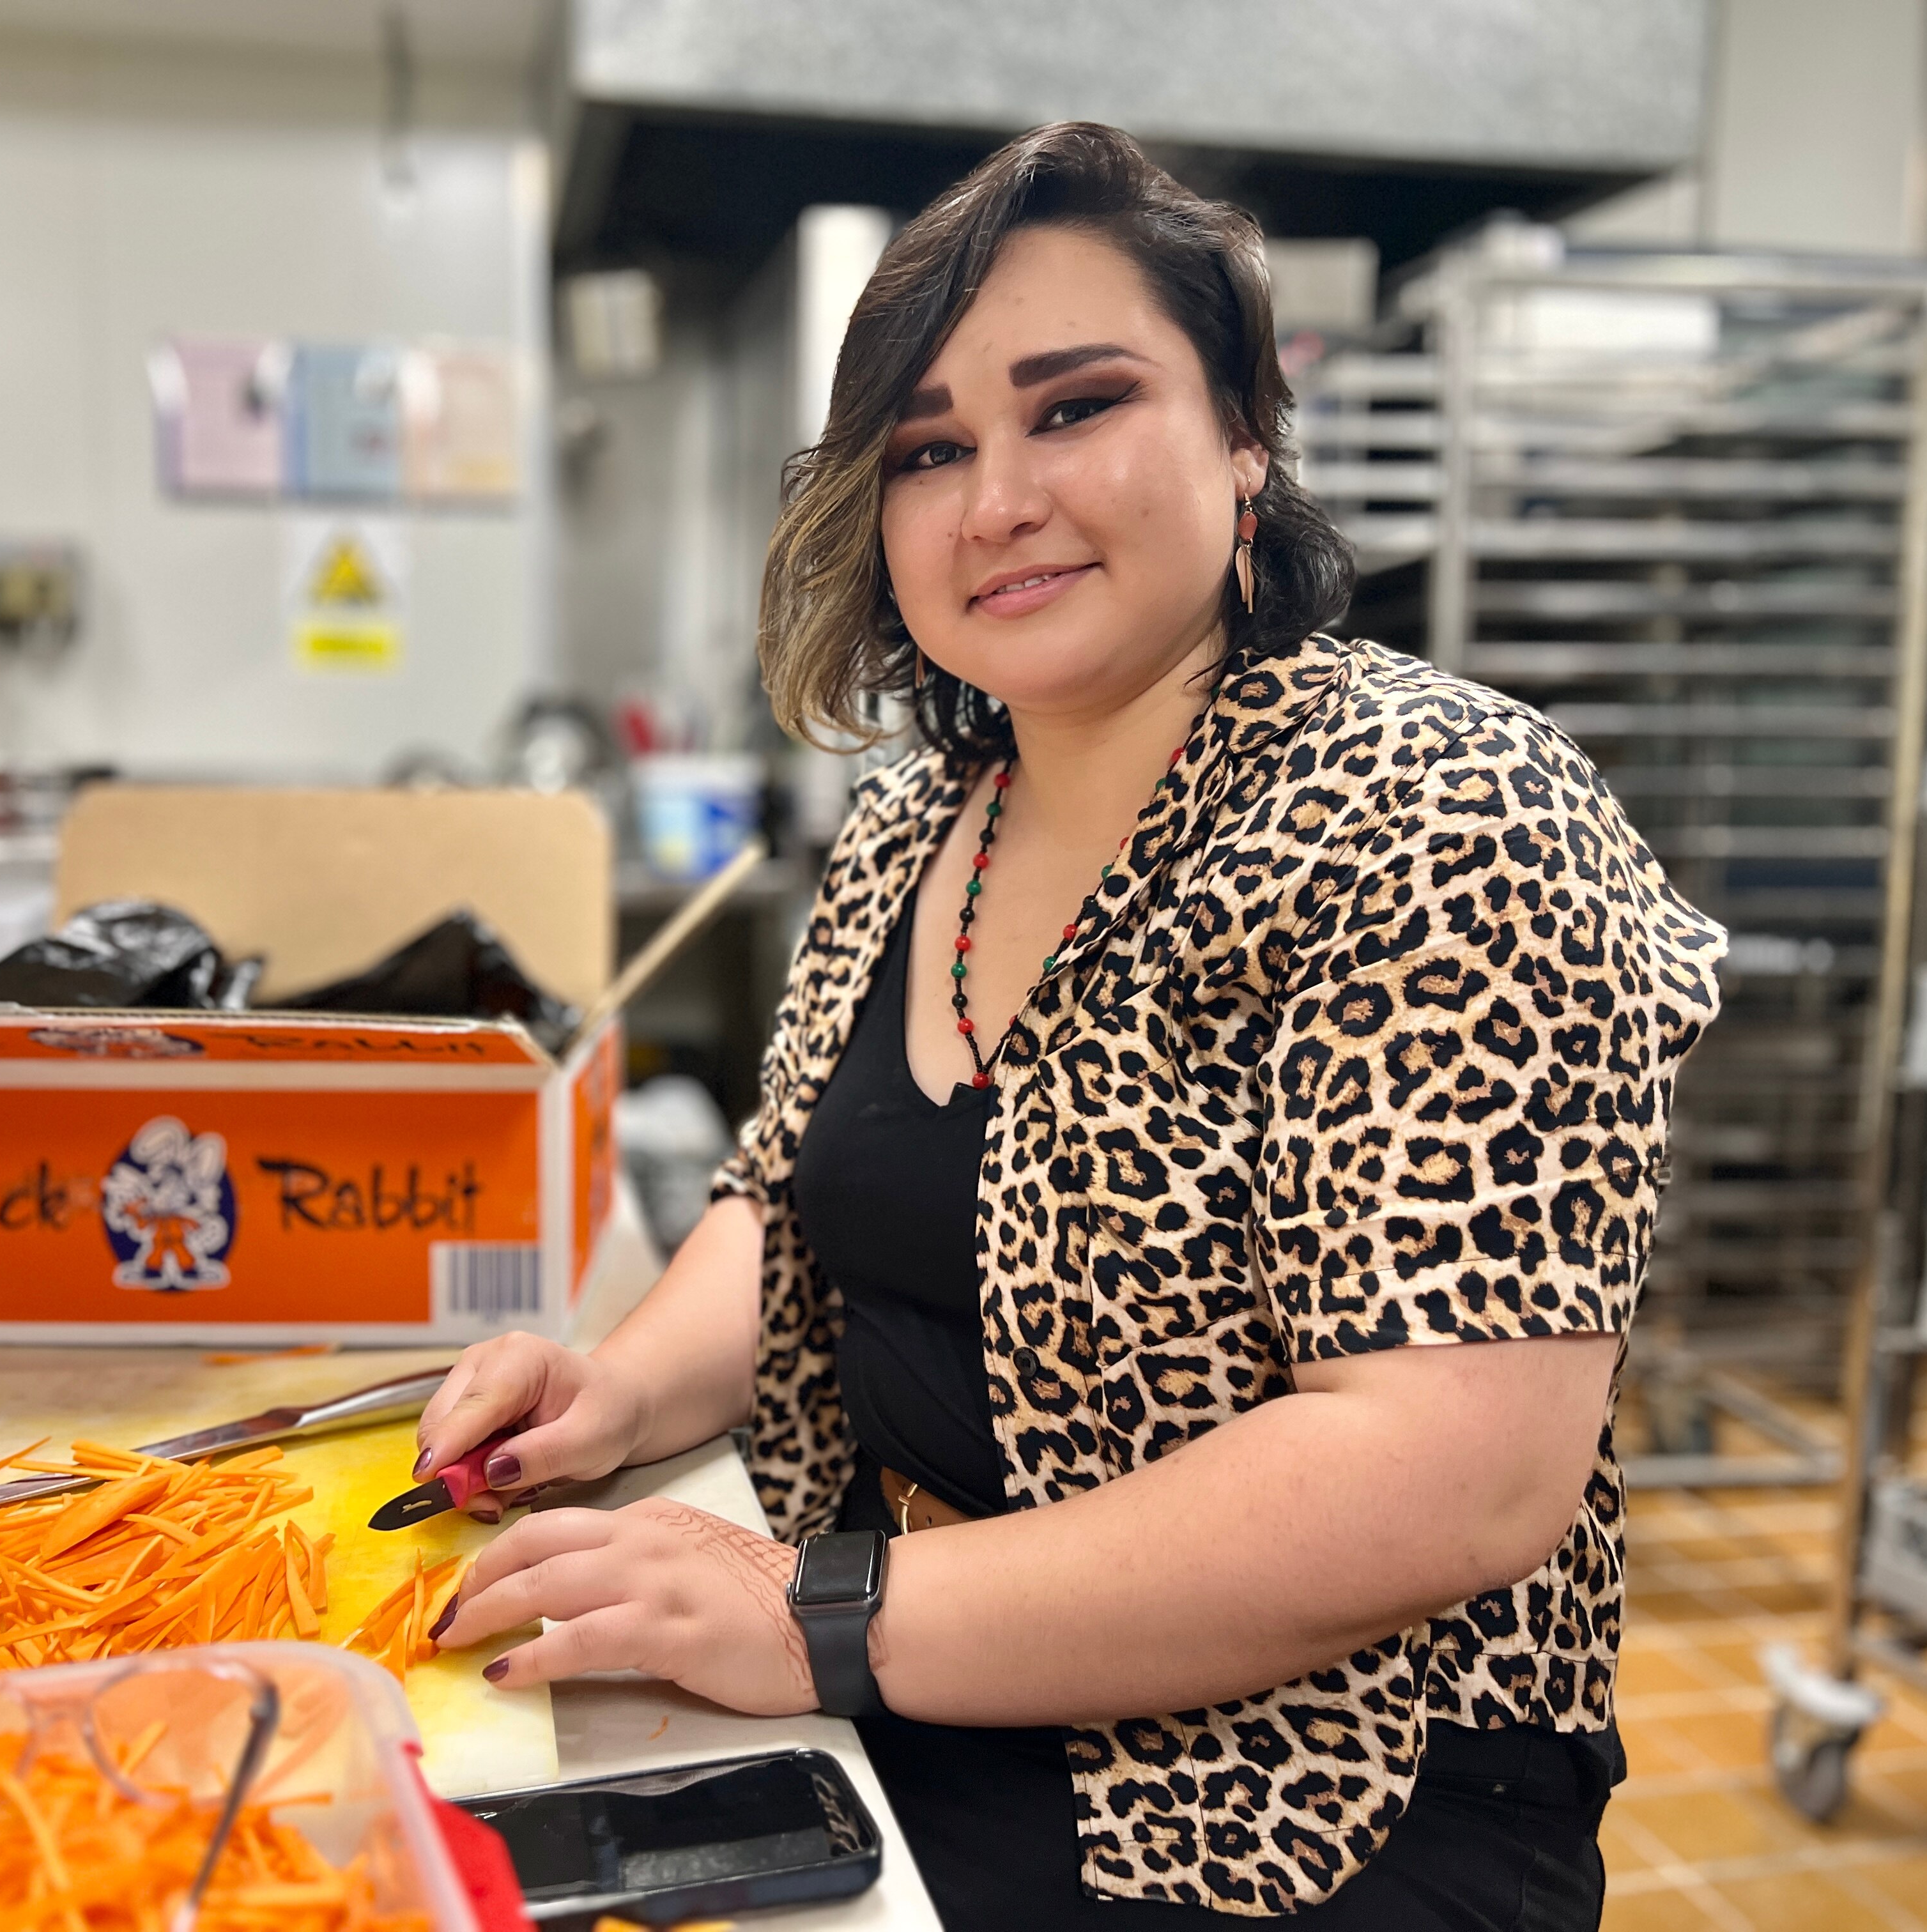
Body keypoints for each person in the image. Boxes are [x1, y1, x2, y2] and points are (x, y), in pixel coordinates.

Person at [423, 122, 1725, 1927]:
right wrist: (619, 1384)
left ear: (1245, 434)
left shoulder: (1440, 810)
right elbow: (790, 1205)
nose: (993, 501)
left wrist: (816, 1612)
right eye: (930, 448)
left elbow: (1454, 1476)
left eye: (1076, 406)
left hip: (1313, 1796)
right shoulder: (914, 821)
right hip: (917, 1699)